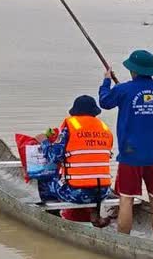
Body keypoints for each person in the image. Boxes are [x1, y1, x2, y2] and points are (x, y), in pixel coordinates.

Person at [98, 49, 153, 240]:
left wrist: (107, 80)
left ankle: (124, 243)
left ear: (133, 70)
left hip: (131, 154)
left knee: (126, 199)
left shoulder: (124, 90)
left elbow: (104, 102)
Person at [36, 95, 115, 224]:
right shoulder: (105, 129)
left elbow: (53, 158)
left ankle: (53, 216)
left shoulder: (70, 129)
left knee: (45, 176)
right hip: (103, 192)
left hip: (76, 193)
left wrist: (44, 141)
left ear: (75, 112)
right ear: (95, 113)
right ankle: (94, 212)